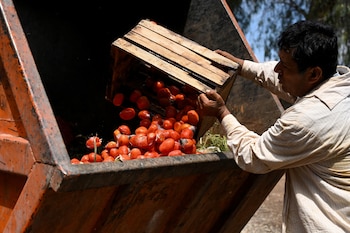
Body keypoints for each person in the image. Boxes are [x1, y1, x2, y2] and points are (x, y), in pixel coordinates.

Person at [198, 20, 350, 233]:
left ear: (314, 74)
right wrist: (241, 65)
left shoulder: (308, 119)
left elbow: (253, 155)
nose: (278, 69)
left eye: (285, 66)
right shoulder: (339, 86)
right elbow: (277, 76)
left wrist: (222, 113)